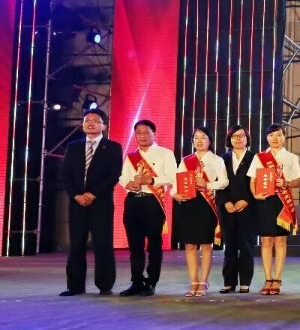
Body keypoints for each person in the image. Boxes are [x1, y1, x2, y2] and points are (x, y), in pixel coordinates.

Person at [61, 109, 123, 297]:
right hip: (77, 203)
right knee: (76, 244)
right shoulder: (73, 147)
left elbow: (114, 175)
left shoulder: (113, 147)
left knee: (103, 245)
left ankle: (105, 285)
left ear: (104, 125)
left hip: (101, 203)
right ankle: (75, 286)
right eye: (87, 120)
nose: (90, 123)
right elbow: (66, 175)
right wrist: (76, 195)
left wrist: (93, 194)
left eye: (95, 121)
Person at [118, 119, 177, 297]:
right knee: (135, 244)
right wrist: (128, 184)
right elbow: (123, 177)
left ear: (154, 134)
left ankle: (151, 281)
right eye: (139, 133)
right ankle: (136, 281)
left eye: (146, 132)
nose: (142, 136)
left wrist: (151, 180)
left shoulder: (165, 153)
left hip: (153, 202)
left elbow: (172, 177)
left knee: (154, 243)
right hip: (132, 201)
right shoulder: (131, 156)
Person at [172, 127, 228, 297]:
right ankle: (193, 282)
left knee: (205, 245)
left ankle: (203, 282)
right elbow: (176, 181)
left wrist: (208, 185)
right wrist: (174, 194)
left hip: (206, 205)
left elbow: (224, 182)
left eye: (203, 137)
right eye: (196, 137)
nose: (199, 141)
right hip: (188, 204)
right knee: (189, 245)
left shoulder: (217, 160)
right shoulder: (186, 160)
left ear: (210, 140)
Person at [248, 124, 300, 296]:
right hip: (264, 201)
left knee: (280, 241)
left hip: (282, 203)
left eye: (279, 135)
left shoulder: (291, 157)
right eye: (271, 135)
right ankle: (268, 279)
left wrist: (286, 183)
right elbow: (252, 180)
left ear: (284, 137)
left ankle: (277, 279)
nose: (275, 138)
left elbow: (298, 181)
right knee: (266, 241)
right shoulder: (259, 157)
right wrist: (255, 194)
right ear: (267, 138)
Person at [218, 124, 256, 294]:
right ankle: (229, 282)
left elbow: (257, 183)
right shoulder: (222, 159)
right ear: (230, 139)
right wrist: (225, 202)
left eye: (242, 136)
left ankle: (245, 282)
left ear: (247, 138)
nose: (238, 139)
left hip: (248, 208)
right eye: (235, 136)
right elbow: (218, 183)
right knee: (230, 246)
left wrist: (247, 200)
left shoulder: (255, 158)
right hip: (227, 209)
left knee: (246, 246)